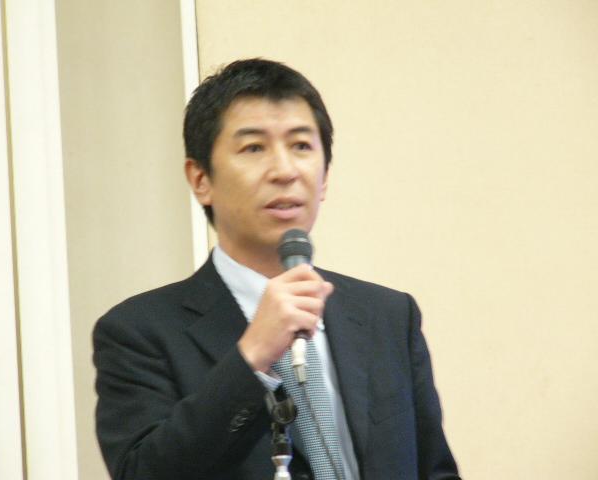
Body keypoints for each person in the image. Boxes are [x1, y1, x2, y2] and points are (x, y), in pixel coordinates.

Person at [93, 58, 460, 480]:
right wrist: (251, 358)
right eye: (254, 148)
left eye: (301, 146)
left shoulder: (388, 316)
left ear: (324, 177)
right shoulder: (139, 332)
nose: (285, 171)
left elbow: (434, 470)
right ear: (200, 179)